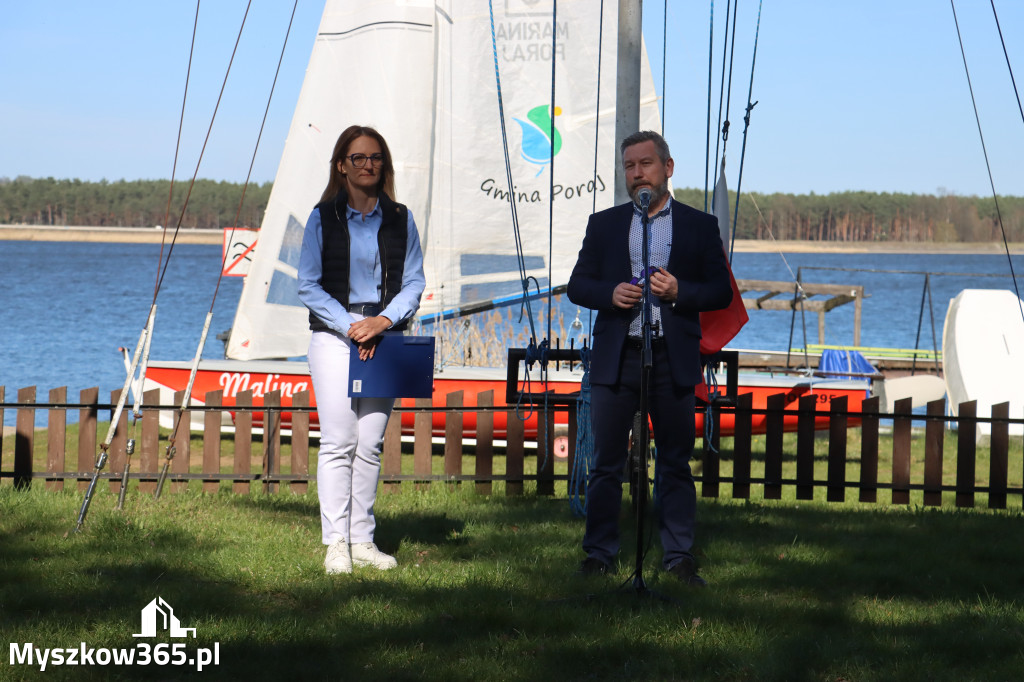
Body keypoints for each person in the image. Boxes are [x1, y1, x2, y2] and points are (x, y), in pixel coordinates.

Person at [566, 130, 733, 586]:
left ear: (668, 168)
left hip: (671, 357)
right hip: (618, 358)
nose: (636, 173)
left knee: (675, 463)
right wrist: (608, 292)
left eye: (645, 164)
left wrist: (682, 292)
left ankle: (678, 557)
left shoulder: (699, 226)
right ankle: (599, 554)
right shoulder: (604, 224)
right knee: (605, 462)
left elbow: (720, 291)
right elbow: (577, 284)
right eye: (629, 166)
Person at [298, 125, 425, 574]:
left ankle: (363, 541)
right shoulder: (322, 217)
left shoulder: (400, 217)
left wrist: (384, 321)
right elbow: (308, 285)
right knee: (338, 441)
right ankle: (335, 545)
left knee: (369, 444)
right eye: (358, 158)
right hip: (335, 337)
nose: (367, 164)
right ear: (341, 165)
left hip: (384, 335)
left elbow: (414, 281)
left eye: (375, 158)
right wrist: (354, 326)